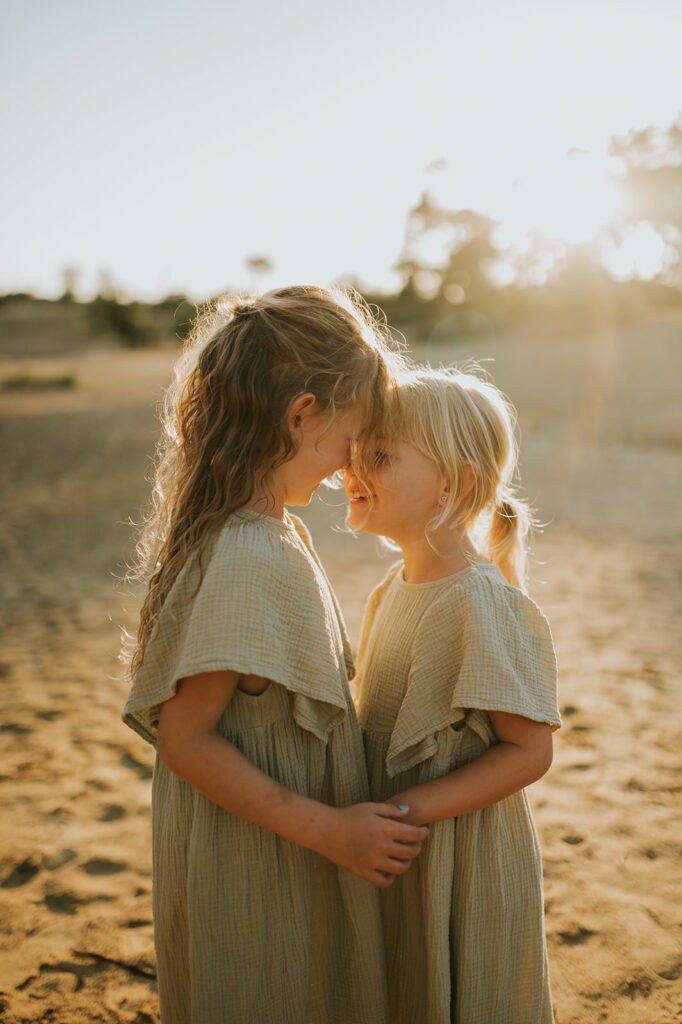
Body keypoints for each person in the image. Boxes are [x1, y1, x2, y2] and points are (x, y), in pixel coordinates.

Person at [120, 286, 428, 1024]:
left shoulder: (261, 530)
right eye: (348, 438)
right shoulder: (248, 554)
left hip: (267, 844)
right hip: (260, 861)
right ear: (301, 414)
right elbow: (185, 738)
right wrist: (333, 831)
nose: (347, 465)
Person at [344, 365, 561, 1023]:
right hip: (398, 844)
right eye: (354, 452)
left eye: (379, 456)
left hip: (459, 855)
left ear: (456, 482)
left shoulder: (479, 600)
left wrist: (411, 808)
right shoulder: (393, 587)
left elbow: (529, 751)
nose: (351, 470)